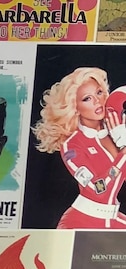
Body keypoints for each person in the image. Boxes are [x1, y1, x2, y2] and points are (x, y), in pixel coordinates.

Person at [33, 67, 126, 229]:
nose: (98, 101)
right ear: (74, 107)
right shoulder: (72, 147)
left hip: (112, 218)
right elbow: (100, 189)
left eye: (99, 92)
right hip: (81, 221)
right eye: (87, 99)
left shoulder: (115, 129)